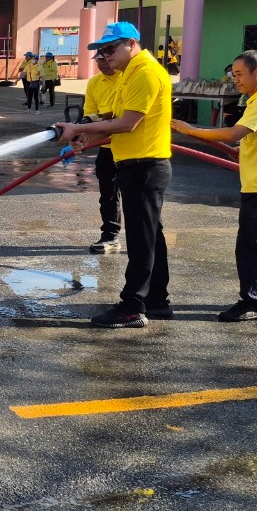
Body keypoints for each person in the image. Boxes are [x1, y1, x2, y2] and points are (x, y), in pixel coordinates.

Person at [56, 21, 173, 328]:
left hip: (144, 166)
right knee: (150, 236)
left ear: (132, 44)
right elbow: (111, 119)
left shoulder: (145, 73)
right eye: (102, 51)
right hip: (136, 164)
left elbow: (128, 123)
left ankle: (133, 306)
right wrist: (83, 136)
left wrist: (78, 128)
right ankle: (157, 300)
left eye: (110, 49)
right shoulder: (128, 75)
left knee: (141, 240)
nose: (105, 55)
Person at [172, 51, 257, 321]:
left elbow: (233, 133)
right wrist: (249, 148)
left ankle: (253, 301)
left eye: (239, 74)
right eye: (233, 75)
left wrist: (189, 129)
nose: (235, 80)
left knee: (252, 246)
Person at [81, 49, 122, 254]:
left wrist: (98, 121)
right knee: (108, 195)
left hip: (133, 148)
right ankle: (110, 235)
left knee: (139, 197)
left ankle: (145, 240)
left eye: (106, 59)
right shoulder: (94, 83)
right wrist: (82, 135)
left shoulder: (127, 78)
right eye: (99, 60)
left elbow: (119, 116)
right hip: (107, 148)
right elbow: (91, 115)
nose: (103, 63)